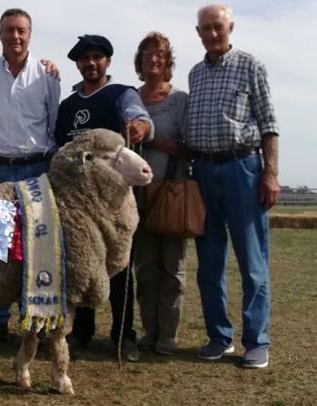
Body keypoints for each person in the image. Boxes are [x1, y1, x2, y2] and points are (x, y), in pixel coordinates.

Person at [187, 4, 279, 369]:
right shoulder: (195, 74)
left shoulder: (251, 65)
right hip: (203, 172)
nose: (212, 34)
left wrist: (270, 173)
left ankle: (256, 342)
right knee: (209, 262)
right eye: (205, 28)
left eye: (217, 27)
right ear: (198, 33)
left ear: (230, 27)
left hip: (243, 169)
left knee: (252, 262)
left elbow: (269, 123)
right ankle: (218, 336)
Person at [54, 34, 154, 362]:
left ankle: (123, 335)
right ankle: (82, 331)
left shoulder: (120, 94)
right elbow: (59, 148)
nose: (90, 63)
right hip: (78, 204)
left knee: (119, 267)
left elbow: (139, 117)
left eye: (97, 57)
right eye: (84, 59)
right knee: (81, 265)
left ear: (107, 61)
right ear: (78, 64)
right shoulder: (68, 106)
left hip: (113, 204)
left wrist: (140, 125)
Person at [0, 8, 61, 348]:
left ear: (30, 34)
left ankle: (34, 321)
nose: (15, 37)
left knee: (36, 247)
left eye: (21, 30)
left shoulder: (48, 77)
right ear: (0, 34)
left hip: (36, 169)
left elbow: (52, 124)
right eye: (9, 30)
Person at [131, 32, 188, 356]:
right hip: (139, 194)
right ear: (139, 60)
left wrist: (150, 139)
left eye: (161, 54)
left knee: (173, 268)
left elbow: (187, 147)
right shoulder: (132, 97)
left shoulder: (180, 100)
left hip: (172, 191)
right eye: (148, 52)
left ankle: (168, 335)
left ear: (168, 62)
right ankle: (149, 332)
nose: (154, 58)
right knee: (146, 268)